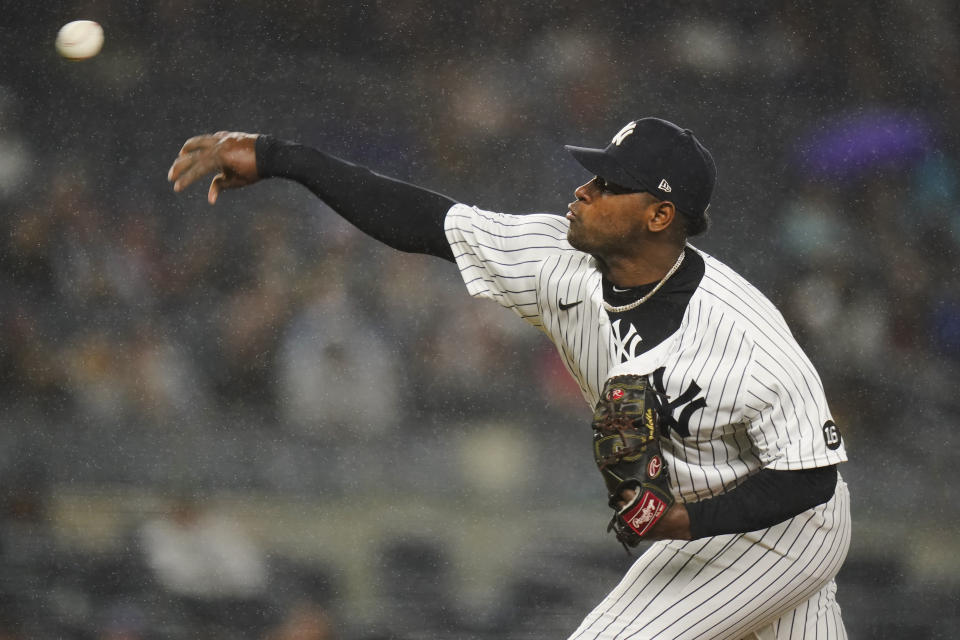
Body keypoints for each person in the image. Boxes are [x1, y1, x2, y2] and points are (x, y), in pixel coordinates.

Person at [168, 117, 851, 639]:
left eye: (608, 185)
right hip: (716, 515)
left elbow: (811, 477)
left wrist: (682, 517)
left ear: (660, 216)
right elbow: (425, 223)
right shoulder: (558, 261)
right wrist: (283, 159)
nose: (583, 190)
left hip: (780, 524)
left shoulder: (743, 336)